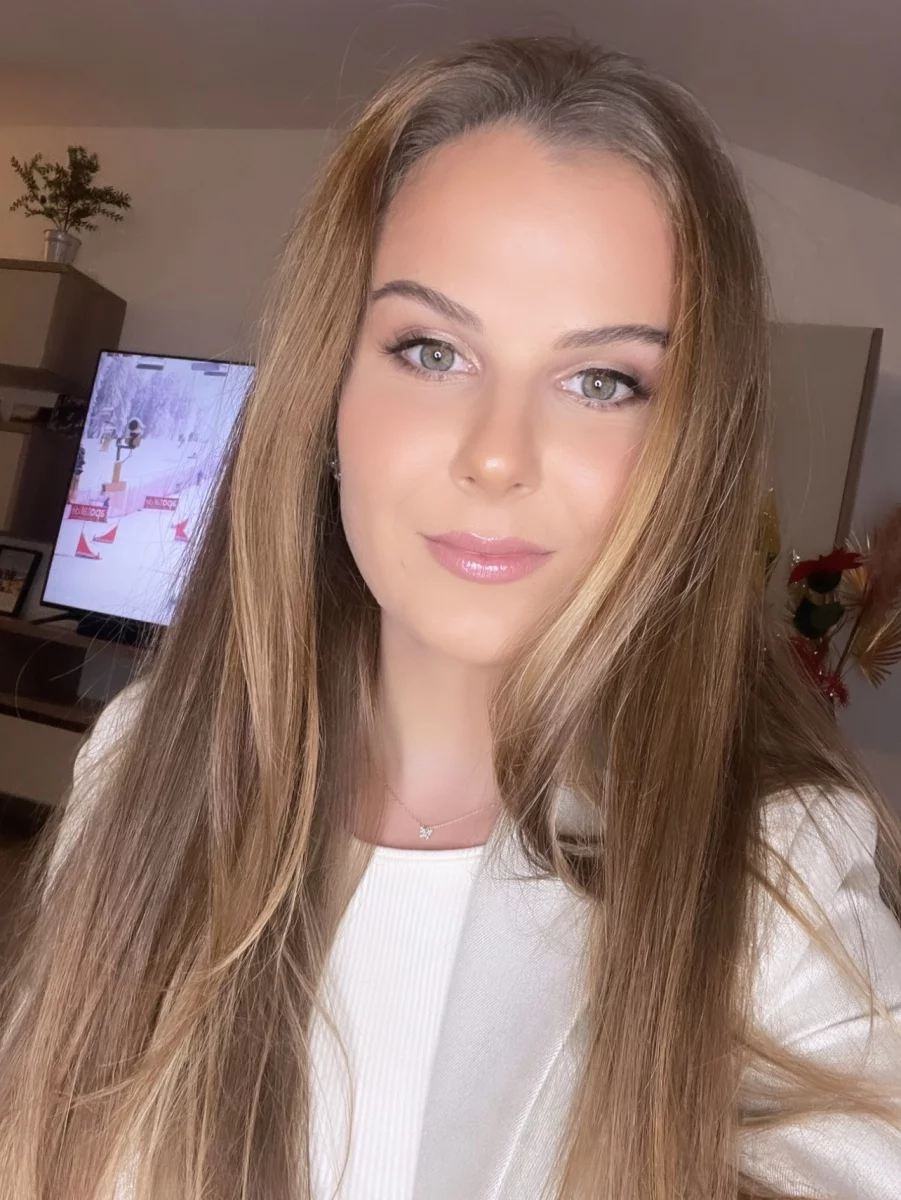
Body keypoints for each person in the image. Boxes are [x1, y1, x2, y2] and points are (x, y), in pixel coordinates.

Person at [1, 35, 900, 1200]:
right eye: (431, 351)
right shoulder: (143, 764)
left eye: (602, 381)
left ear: (685, 456)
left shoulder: (776, 869)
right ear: (330, 392)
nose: (496, 454)